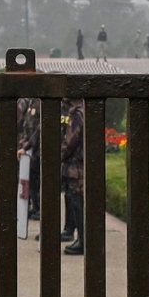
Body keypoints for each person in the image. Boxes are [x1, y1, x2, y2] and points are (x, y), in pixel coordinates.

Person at [58, 99, 85, 255]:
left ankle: (83, 240)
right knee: (76, 200)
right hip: (80, 164)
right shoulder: (86, 110)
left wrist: (57, 155)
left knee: (77, 202)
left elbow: (70, 141)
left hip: (76, 166)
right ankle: (81, 238)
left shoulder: (76, 114)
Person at [16, 97, 41, 222]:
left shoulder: (40, 101)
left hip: (38, 148)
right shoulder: (32, 100)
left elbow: (39, 128)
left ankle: (39, 207)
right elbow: (28, 123)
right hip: (31, 146)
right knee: (32, 179)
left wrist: (28, 145)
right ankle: (35, 207)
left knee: (38, 179)